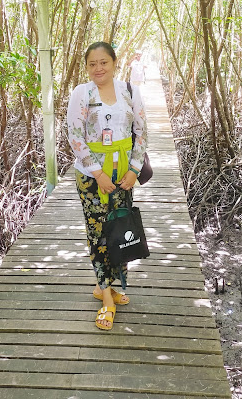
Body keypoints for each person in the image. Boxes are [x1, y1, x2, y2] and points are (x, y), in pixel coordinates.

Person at [67, 42, 148, 330]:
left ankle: (111, 285)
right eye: (92, 64)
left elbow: (141, 131)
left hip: (124, 172)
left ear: (114, 63)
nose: (98, 68)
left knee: (120, 228)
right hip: (91, 177)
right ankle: (106, 298)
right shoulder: (82, 93)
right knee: (98, 232)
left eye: (104, 62)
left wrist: (134, 170)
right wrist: (98, 173)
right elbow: (75, 136)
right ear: (87, 67)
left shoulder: (129, 91)